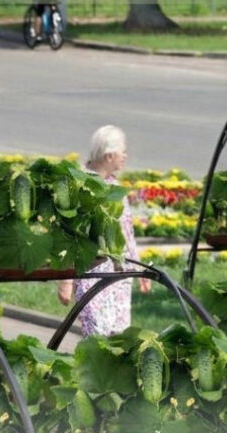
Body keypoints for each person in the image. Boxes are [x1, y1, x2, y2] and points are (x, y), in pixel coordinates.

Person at [57, 125, 151, 337]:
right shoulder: (80, 184)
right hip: (91, 273)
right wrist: (65, 280)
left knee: (119, 340)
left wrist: (140, 269)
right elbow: (68, 233)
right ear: (109, 156)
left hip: (119, 277)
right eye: (123, 152)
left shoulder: (114, 186)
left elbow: (127, 232)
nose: (125, 156)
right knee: (96, 337)